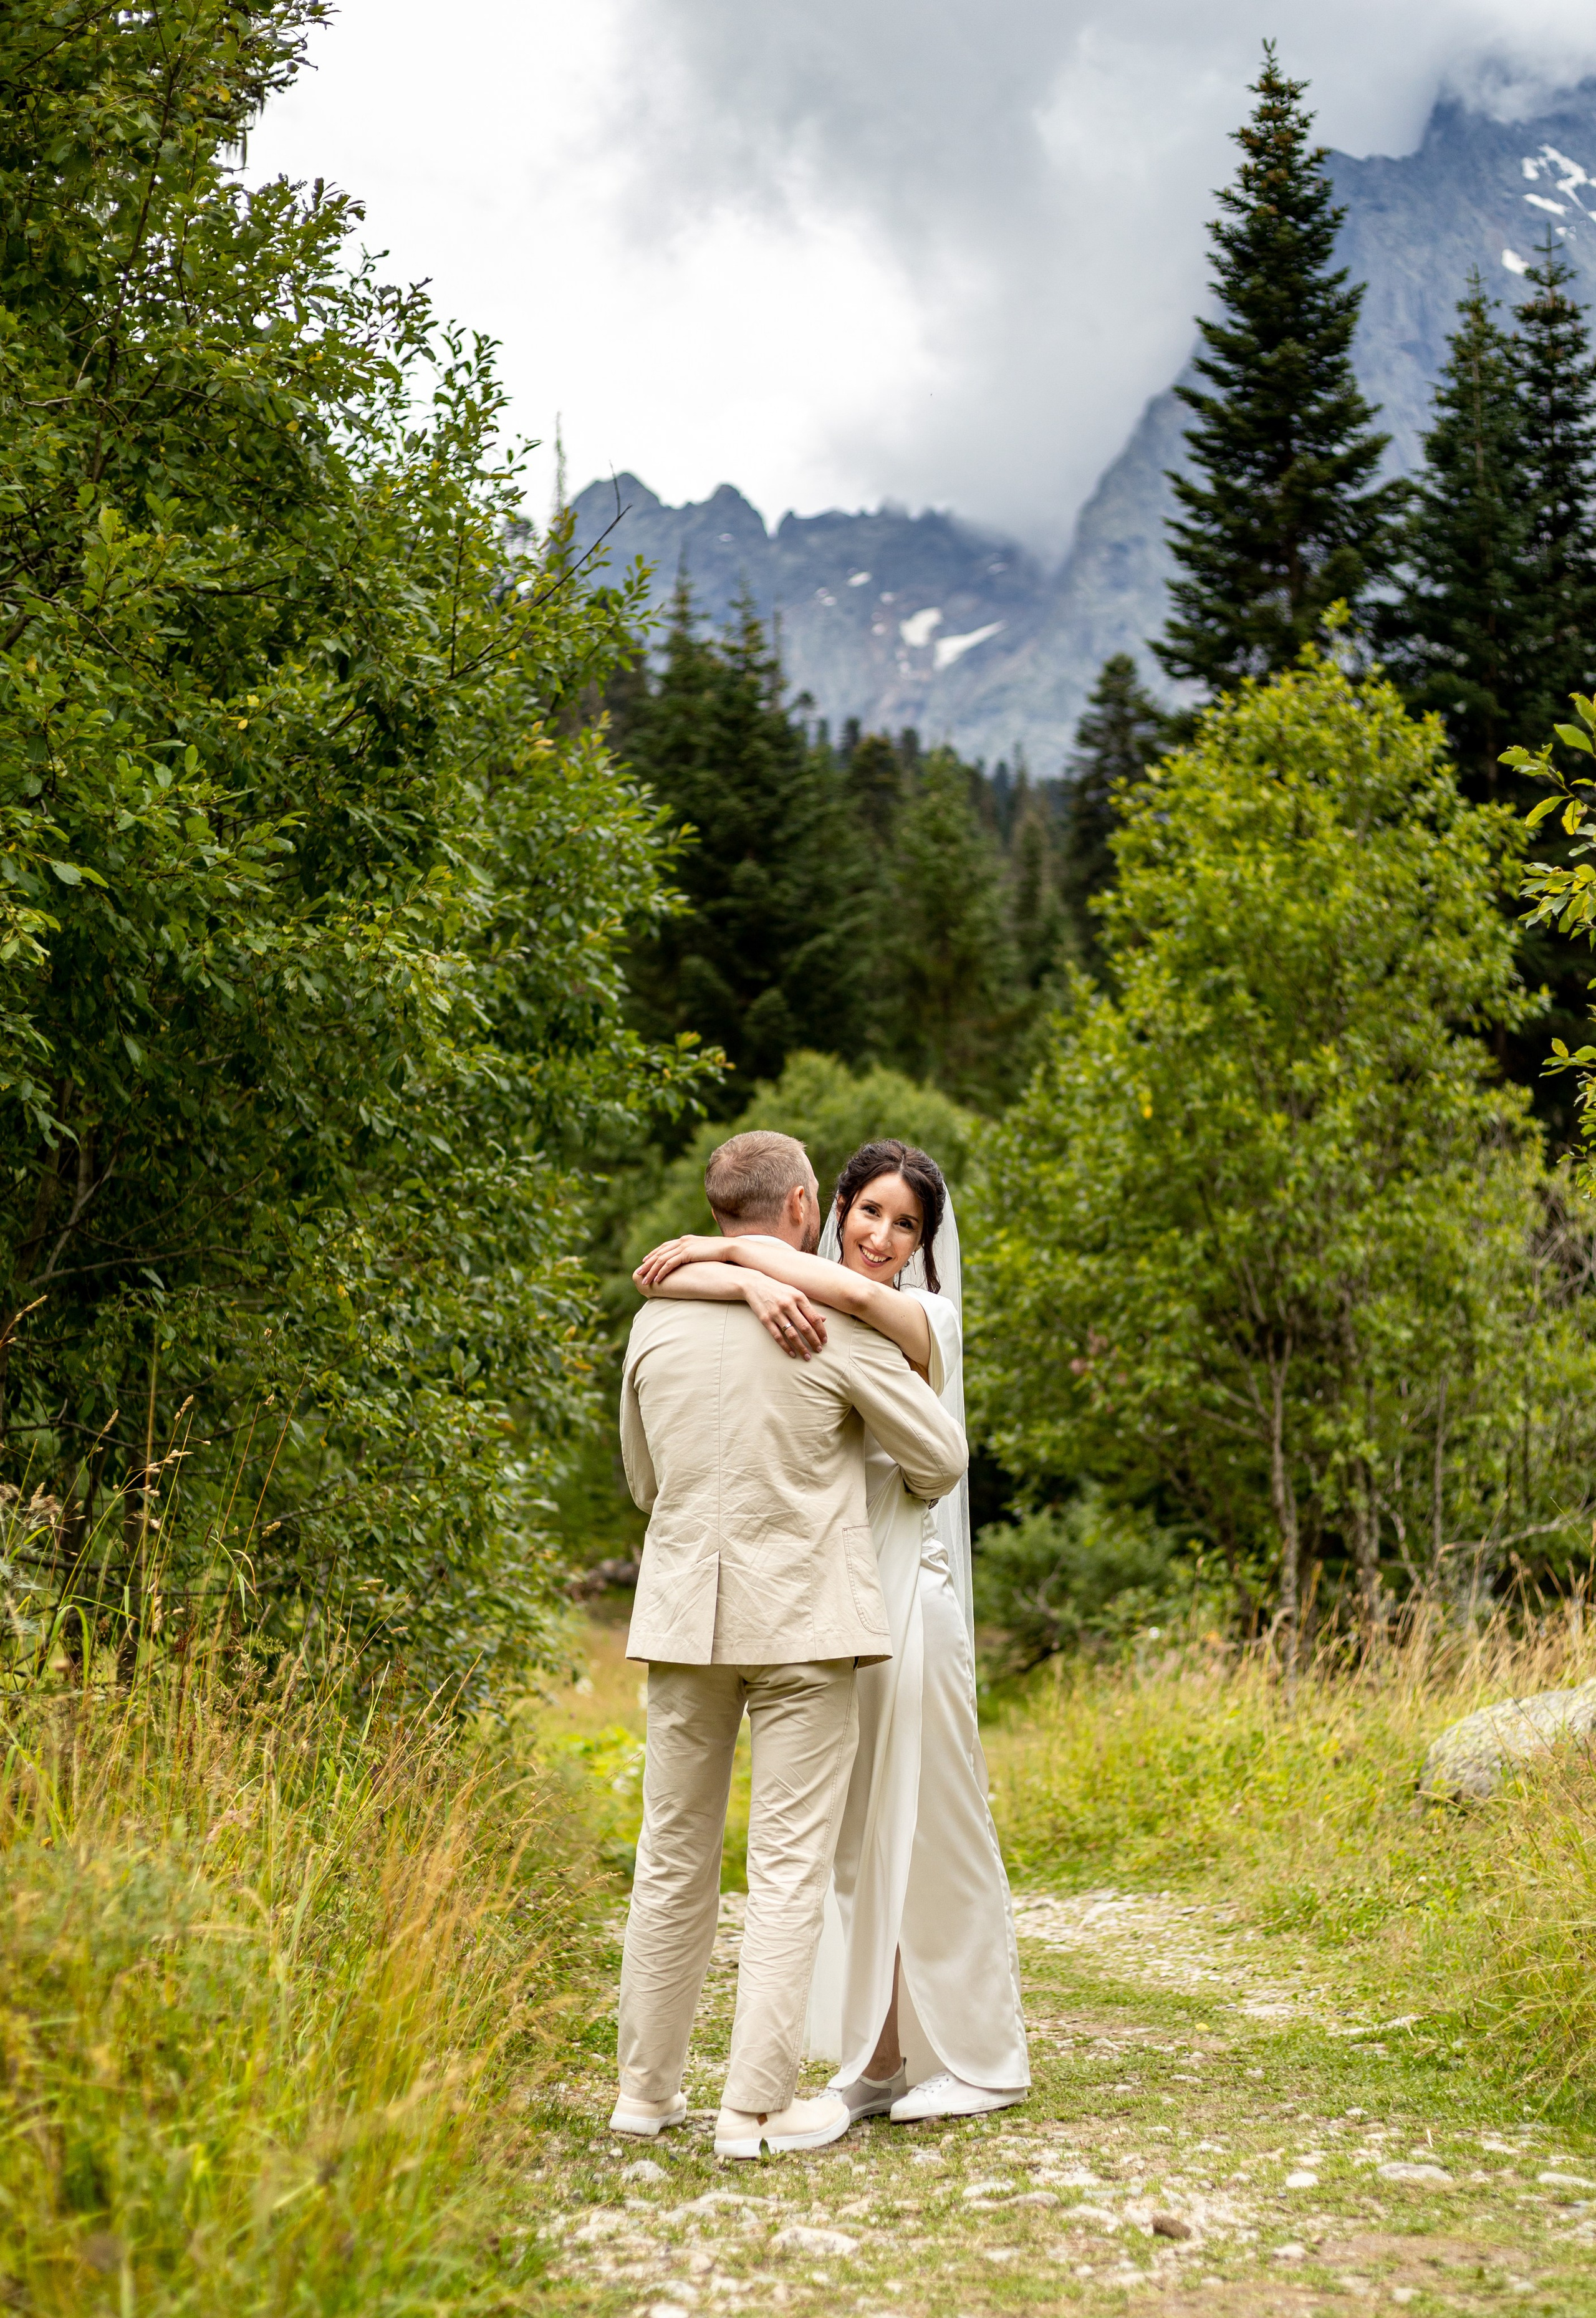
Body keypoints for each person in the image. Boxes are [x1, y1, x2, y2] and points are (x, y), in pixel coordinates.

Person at [634, 1138, 1029, 2124]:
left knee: (927, 1829)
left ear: (928, 1246)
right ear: (828, 1206)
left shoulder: (911, 1315)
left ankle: (976, 2054)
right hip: (830, 1601)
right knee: (852, 1844)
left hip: (902, 1596)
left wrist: (715, 1254)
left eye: (908, 1226)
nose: (884, 1238)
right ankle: (876, 2057)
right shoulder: (803, 1308)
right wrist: (743, 1278)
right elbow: (820, 1297)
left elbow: (853, 1310)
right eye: (871, 1215)